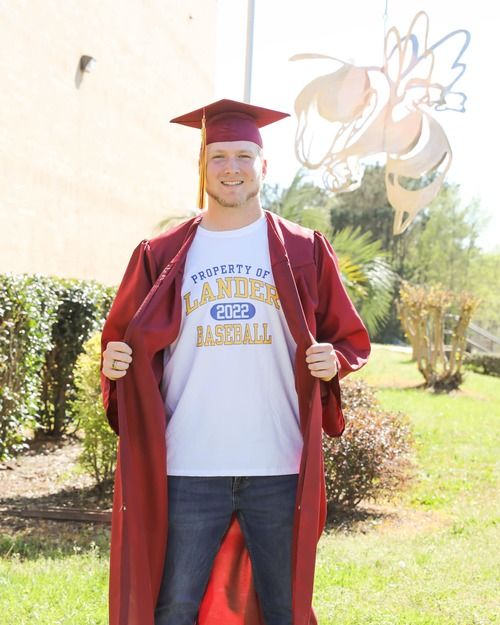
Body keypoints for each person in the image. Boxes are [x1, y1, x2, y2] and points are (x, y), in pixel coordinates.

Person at [100, 98, 371, 625]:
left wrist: (333, 359)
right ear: (202, 166)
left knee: (284, 610)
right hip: (188, 464)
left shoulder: (304, 250)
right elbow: (121, 345)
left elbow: (348, 338)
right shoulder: (161, 254)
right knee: (172, 609)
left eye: (244, 155)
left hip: (279, 465)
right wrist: (113, 363)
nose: (232, 168)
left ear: (263, 165)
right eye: (218, 156)